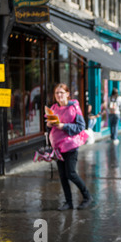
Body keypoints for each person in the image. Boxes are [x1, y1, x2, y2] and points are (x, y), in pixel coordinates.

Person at [47, 83, 92, 211]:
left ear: (67, 94)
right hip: (57, 146)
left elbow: (81, 126)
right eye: (57, 93)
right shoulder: (54, 108)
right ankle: (68, 202)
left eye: (61, 92)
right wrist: (50, 125)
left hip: (71, 145)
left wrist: (64, 126)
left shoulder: (74, 108)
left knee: (71, 173)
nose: (59, 95)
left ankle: (87, 196)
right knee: (62, 175)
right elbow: (50, 125)